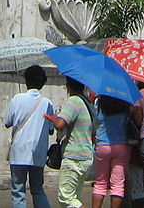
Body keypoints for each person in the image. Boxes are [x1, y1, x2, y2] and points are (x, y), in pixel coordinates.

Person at [5, 65, 56, 208]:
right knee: (37, 189)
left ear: (26, 81)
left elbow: (7, 122)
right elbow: (51, 130)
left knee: (18, 189)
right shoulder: (47, 103)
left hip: (19, 151)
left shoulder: (17, 99)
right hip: (38, 152)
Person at [46, 77, 95, 208]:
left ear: (68, 86)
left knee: (66, 198)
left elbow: (60, 124)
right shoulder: (86, 103)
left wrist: (54, 119)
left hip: (74, 156)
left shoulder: (74, 101)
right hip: (85, 155)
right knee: (75, 197)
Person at [91, 95, 132, 208]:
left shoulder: (99, 102)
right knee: (118, 184)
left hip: (102, 145)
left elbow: (95, 121)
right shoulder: (125, 101)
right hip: (121, 145)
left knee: (100, 183)